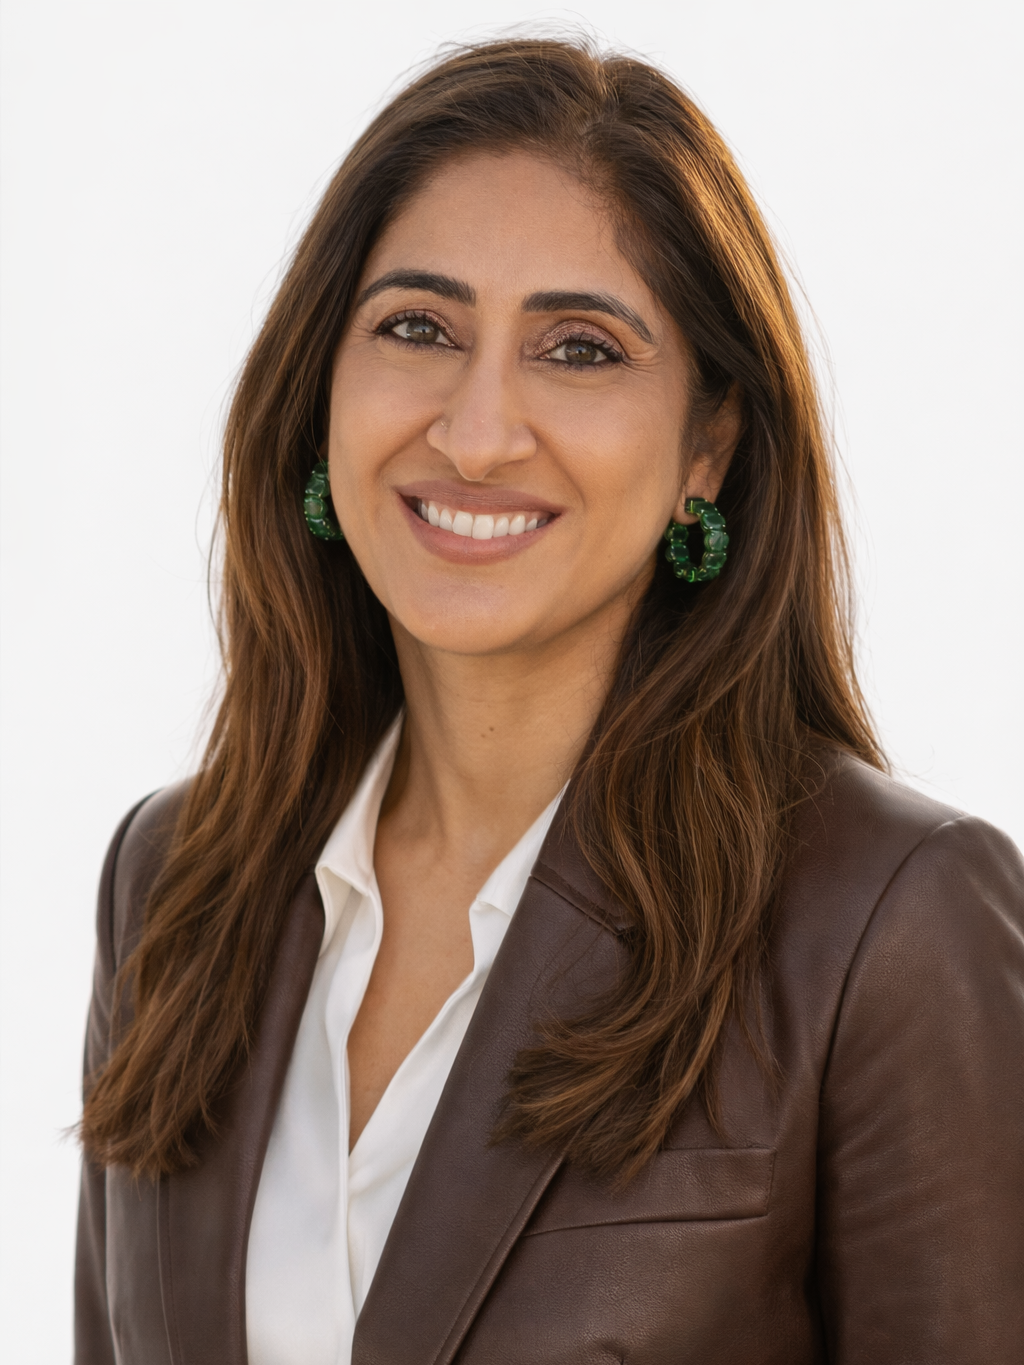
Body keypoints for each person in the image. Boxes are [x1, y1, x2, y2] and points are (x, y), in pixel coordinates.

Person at [74, 37, 1024, 1365]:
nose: (476, 432)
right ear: (319, 394)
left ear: (710, 445)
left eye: (579, 350)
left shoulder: (886, 922)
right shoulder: (173, 882)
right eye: (418, 328)